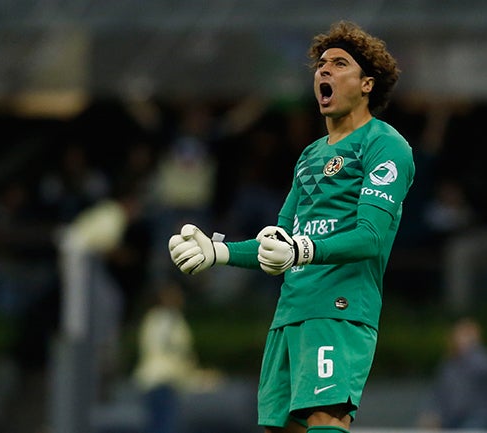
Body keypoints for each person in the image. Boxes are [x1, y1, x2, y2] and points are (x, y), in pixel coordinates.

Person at [168, 20, 415, 433]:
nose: (324, 71)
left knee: (325, 419)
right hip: (290, 313)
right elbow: (278, 241)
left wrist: (301, 251)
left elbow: (370, 238)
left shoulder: (384, 144)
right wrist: (219, 252)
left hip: (339, 310)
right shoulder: (310, 156)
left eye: (339, 64)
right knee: (281, 428)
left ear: (367, 83)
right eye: (321, 64)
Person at [133, 279, 223, 433]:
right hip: (162, 381)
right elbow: (171, 349)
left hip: (161, 381)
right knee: (163, 426)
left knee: (159, 424)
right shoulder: (165, 319)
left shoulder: (158, 318)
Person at [416, 317, 487, 430]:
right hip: (450, 419)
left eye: (466, 335)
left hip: (477, 419)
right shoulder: (448, 364)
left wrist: (471, 349)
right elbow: (438, 393)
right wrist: (430, 412)